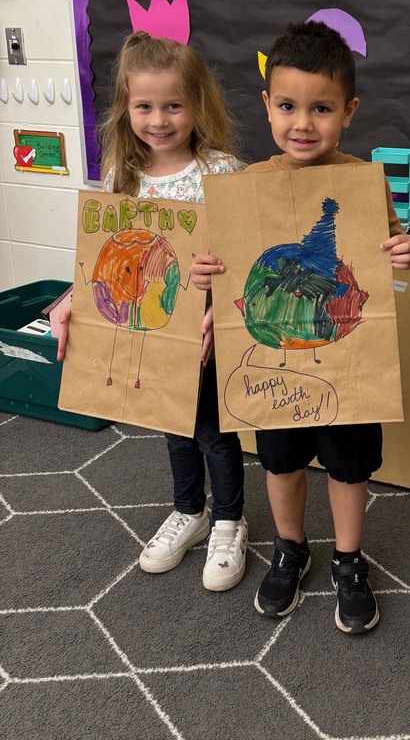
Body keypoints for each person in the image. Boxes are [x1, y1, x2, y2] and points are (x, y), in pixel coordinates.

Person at [191, 20, 410, 633]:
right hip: (271, 368)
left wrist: (404, 251)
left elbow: (390, 249)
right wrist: (204, 270)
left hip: (348, 366)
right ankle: (291, 548)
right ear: (266, 106)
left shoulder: (364, 183)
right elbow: (218, 269)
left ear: (349, 111)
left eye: (321, 108)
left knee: (348, 467)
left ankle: (349, 558)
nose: (303, 123)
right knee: (281, 462)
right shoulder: (246, 188)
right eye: (287, 106)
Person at [57, 31, 248, 592]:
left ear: (197, 105)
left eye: (173, 105)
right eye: (144, 106)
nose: (158, 119)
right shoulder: (124, 174)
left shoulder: (221, 170)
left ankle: (230, 522)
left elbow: (244, 253)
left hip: (209, 328)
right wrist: (70, 302)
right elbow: (103, 256)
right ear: (126, 108)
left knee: (215, 431)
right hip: (154, 325)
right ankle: (189, 511)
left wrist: (221, 311)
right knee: (172, 424)